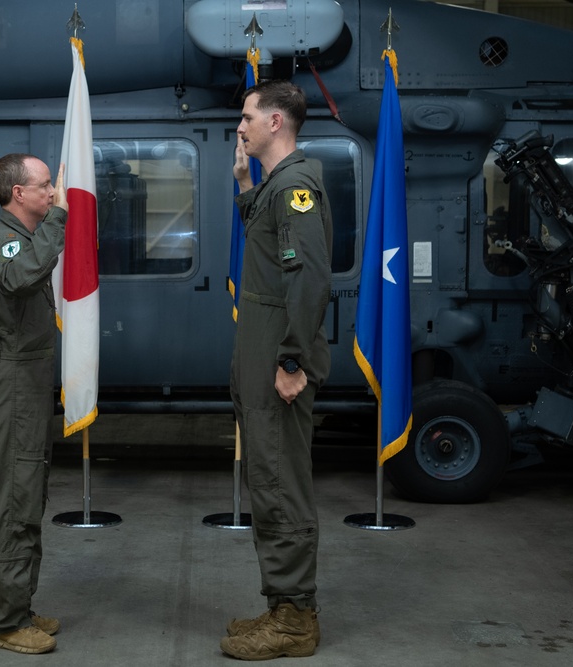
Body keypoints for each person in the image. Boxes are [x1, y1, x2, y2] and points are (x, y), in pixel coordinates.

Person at [222, 80, 333, 660]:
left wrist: (292, 359)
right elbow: (270, 249)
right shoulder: (273, 187)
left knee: (282, 482)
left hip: (278, 358)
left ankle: (295, 619)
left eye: (246, 117)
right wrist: (244, 184)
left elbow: (309, 279)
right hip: (262, 350)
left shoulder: (295, 188)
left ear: (276, 124)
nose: (239, 127)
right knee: (267, 478)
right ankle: (281, 605)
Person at [0, 154, 67, 655]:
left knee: (28, 496)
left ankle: (20, 607)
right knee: (11, 501)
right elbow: (22, 277)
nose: (52, 194)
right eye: (45, 186)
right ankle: (4, 623)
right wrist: (59, 222)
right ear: (18, 195)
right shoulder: (8, 243)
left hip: (27, 384)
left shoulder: (26, 238)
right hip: (10, 384)